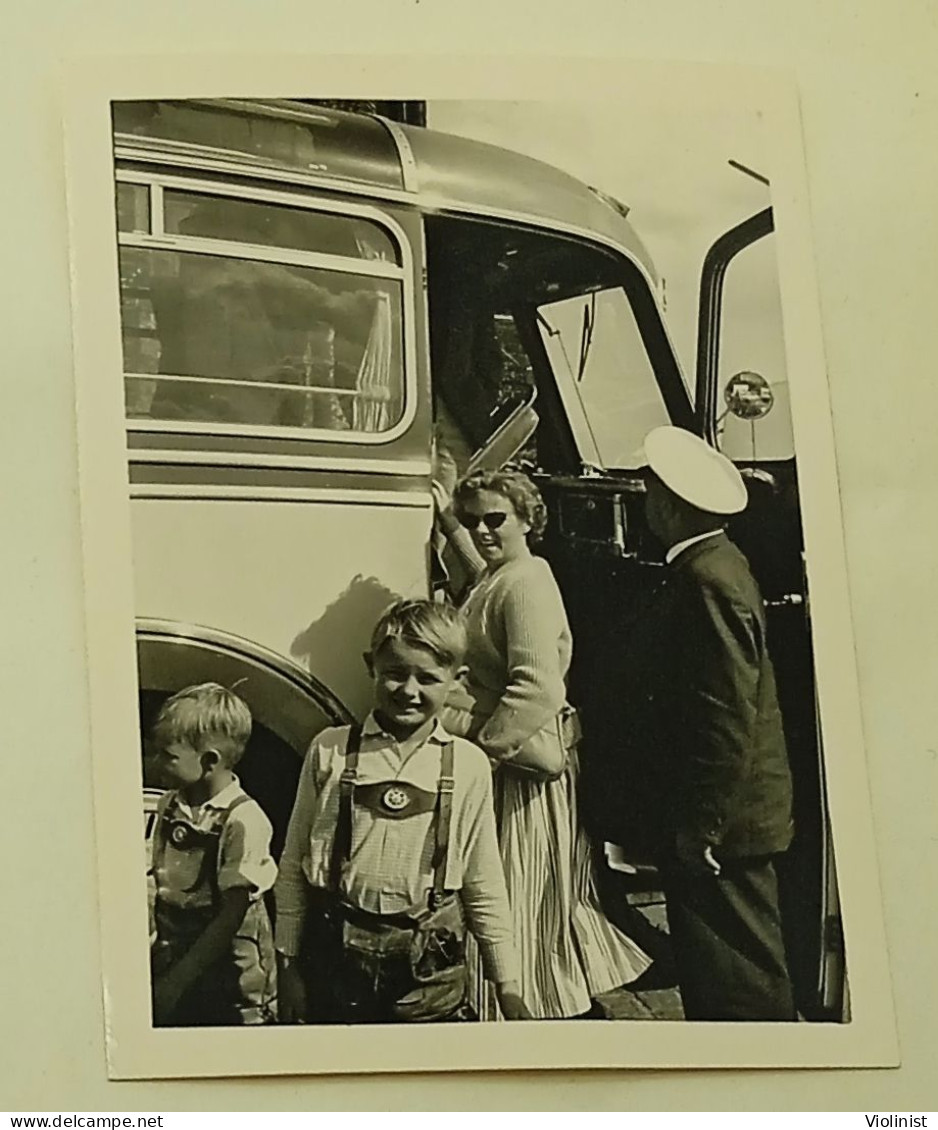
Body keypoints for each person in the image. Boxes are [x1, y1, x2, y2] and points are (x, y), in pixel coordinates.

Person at [441, 468, 651, 1019]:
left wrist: (481, 750)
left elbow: (536, 687)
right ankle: (533, 998)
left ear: (529, 521)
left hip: (526, 767)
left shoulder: (527, 582)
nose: (483, 531)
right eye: (473, 521)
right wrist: (449, 521)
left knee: (526, 890)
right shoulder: (502, 574)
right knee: (527, 891)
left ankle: (541, 1006)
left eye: (496, 520)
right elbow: (479, 581)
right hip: (519, 761)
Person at [273, 598, 529, 1024]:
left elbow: (483, 881)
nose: (409, 691)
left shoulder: (466, 764)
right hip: (338, 962)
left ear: (456, 680)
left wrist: (509, 985)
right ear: (371, 665)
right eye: (394, 674)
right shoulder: (331, 749)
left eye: (427, 678)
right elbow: (292, 864)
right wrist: (288, 967)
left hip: (428, 970)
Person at [614, 425, 797, 1020]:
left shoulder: (705, 581)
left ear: (668, 504)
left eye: (650, 495)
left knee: (736, 982)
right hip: (732, 819)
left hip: (725, 826)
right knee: (726, 975)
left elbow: (723, 719)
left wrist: (703, 828)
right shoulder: (719, 564)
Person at [149, 682, 277, 1026]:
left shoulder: (245, 820)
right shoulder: (169, 804)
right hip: (180, 955)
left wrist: (177, 982)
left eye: (168, 755)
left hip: (231, 972)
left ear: (209, 762)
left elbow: (230, 917)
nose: (156, 762)